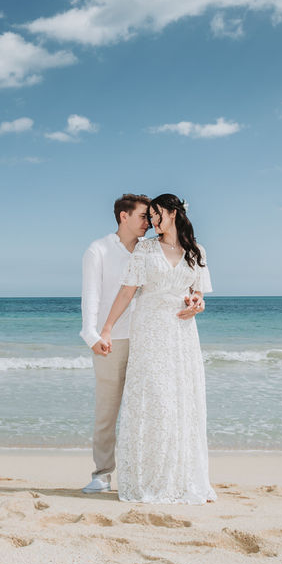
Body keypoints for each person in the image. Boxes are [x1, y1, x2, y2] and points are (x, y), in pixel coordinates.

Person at [80, 194, 204, 495]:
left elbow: (194, 289)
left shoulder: (167, 248)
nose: (149, 222)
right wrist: (94, 333)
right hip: (117, 337)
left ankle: (162, 471)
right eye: (144, 216)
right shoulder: (99, 250)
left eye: (153, 216)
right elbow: (93, 295)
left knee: (159, 406)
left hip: (158, 336)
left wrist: (196, 303)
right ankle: (102, 474)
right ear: (124, 217)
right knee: (108, 409)